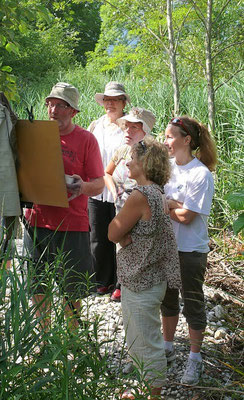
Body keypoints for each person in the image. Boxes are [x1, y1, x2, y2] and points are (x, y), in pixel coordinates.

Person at [24, 82, 104, 327]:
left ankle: (71, 340)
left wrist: (82, 186)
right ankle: (44, 336)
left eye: (61, 105)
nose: (53, 110)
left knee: (73, 288)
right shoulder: (35, 134)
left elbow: (99, 183)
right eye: (50, 104)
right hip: (36, 221)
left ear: (73, 111)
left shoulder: (86, 140)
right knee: (37, 285)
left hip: (73, 224)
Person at [108, 137, 181, 399]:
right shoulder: (158, 193)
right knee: (140, 337)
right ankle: (144, 387)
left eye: (132, 158)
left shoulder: (140, 196)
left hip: (142, 282)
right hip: (150, 279)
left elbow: (111, 232)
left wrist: (123, 236)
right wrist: (128, 236)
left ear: (145, 163)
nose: (127, 162)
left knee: (146, 342)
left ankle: (153, 394)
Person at [161, 116, 218, 386]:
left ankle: (195, 360)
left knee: (193, 303)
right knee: (167, 299)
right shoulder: (167, 168)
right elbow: (171, 207)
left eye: (170, 136)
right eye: (165, 136)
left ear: (187, 140)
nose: (166, 141)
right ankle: (168, 347)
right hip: (167, 247)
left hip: (191, 251)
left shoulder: (200, 174)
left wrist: (168, 203)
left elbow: (188, 217)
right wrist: (175, 205)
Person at [104, 107, 156, 302]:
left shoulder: (153, 153)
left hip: (143, 208)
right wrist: (114, 191)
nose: (128, 131)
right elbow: (107, 172)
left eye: (135, 128)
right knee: (121, 244)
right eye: (127, 127)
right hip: (122, 205)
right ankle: (122, 284)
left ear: (145, 131)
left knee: (141, 245)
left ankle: (141, 287)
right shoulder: (123, 150)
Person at [88, 81, 131, 299]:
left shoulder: (130, 127)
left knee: (121, 236)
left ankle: (121, 283)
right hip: (97, 188)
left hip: (121, 191)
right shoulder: (95, 126)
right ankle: (101, 281)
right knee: (97, 236)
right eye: (107, 100)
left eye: (115, 100)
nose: (110, 104)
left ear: (124, 102)